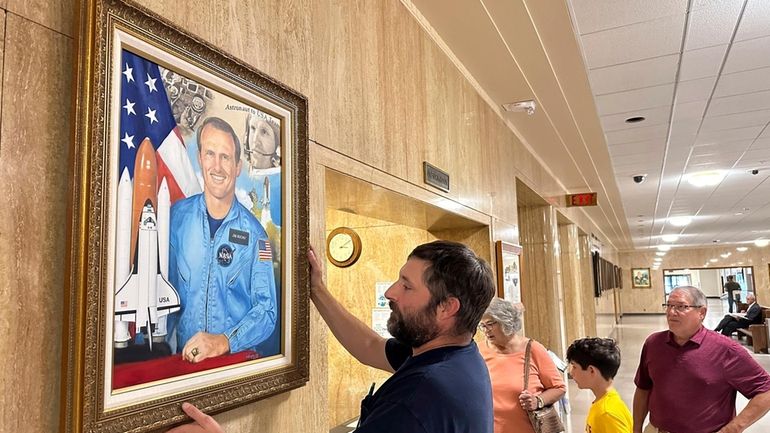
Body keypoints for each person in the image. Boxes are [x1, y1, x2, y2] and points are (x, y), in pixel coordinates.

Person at [169, 240, 496, 433]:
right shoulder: (457, 356)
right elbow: (370, 346)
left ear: (446, 308)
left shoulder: (420, 399)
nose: (391, 293)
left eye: (407, 286)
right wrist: (316, 291)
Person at [168, 116, 277, 363]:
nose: (217, 166)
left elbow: (267, 312)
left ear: (238, 166)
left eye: (225, 157)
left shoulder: (256, 236)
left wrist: (223, 341)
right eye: (210, 154)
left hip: (233, 365)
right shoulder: (176, 220)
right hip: (182, 366)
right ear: (199, 158)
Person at [633, 286, 770, 433]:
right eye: (669, 305)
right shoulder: (653, 343)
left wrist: (732, 429)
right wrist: (636, 428)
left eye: (681, 307)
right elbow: (643, 388)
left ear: (702, 312)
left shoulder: (725, 349)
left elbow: (766, 391)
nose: (671, 312)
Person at [478, 298, 566, 433]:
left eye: (490, 324)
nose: (486, 330)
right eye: (482, 325)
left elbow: (559, 388)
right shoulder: (479, 351)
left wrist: (538, 401)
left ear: (506, 322)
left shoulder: (533, 349)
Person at [566, 337, 632, 433]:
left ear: (592, 370)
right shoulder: (603, 402)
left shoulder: (607, 414)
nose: (571, 373)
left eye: (574, 367)